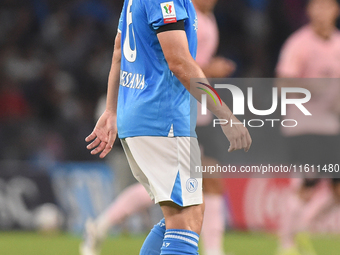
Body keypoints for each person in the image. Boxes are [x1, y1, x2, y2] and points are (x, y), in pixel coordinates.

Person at [82, 0, 252, 255]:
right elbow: (179, 62)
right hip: (163, 118)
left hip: (141, 117)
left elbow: (119, 49)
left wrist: (111, 109)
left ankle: (103, 225)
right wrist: (225, 114)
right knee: (187, 218)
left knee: (181, 213)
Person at [276, 0, 340, 254]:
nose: (321, 12)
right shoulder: (298, 43)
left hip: (331, 127)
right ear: (309, 11)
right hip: (303, 126)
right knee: (308, 183)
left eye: (326, 7)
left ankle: (303, 226)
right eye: (316, 7)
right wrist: (311, 87)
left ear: (336, 10)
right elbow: (281, 84)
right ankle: (286, 244)